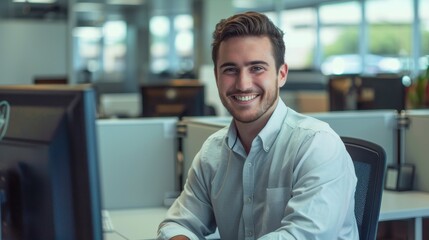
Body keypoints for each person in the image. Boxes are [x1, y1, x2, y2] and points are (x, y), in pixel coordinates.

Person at [158, 11, 358, 240]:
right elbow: (178, 223)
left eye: (257, 68)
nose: (243, 84)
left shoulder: (317, 145)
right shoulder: (212, 154)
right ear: (216, 76)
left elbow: (303, 236)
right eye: (230, 70)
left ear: (281, 74)